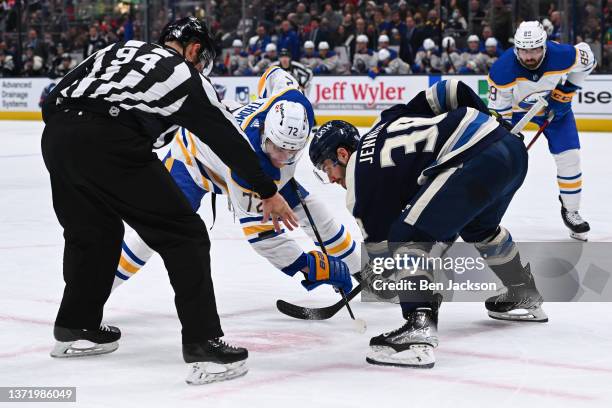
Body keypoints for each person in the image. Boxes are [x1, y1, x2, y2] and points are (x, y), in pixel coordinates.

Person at [40, 17, 297, 385]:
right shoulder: (184, 75)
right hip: (110, 140)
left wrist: (74, 136)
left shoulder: (114, 50)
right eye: (202, 57)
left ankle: (75, 326)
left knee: (93, 233)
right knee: (185, 234)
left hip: (58, 136)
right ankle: (203, 345)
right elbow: (227, 138)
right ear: (194, 49)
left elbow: (53, 99)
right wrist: (268, 191)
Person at [309, 79, 547, 368]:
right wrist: (489, 120)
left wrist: (375, 278)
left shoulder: (359, 185)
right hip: (511, 151)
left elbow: (389, 256)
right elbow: (449, 90)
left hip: (476, 160)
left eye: (326, 168)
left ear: (342, 154)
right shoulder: (387, 121)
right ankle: (523, 291)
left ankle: (418, 327)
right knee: (478, 228)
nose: (331, 178)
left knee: (405, 236)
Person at [111, 70, 358, 297]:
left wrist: (263, 99)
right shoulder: (249, 165)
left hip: (236, 154)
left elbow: (274, 74)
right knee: (153, 232)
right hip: (192, 162)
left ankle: (366, 276)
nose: (282, 159)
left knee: (313, 210)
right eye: (277, 148)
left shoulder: (296, 101)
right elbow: (262, 237)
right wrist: (308, 266)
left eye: (291, 152)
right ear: (264, 133)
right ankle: (96, 290)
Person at [488, 21, 596, 240]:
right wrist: (509, 134)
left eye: (535, 50)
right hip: (517, 113)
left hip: (556, 111)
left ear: (544, 46)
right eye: (524, 50)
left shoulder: (562, 54)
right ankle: (482, 213)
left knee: (570, 157)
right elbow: (501, 112)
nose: (529, 56)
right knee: (499, 160)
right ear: (516, 48)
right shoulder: (502, 69)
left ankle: (571, 210)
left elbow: (589, 59)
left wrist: (566, 91)